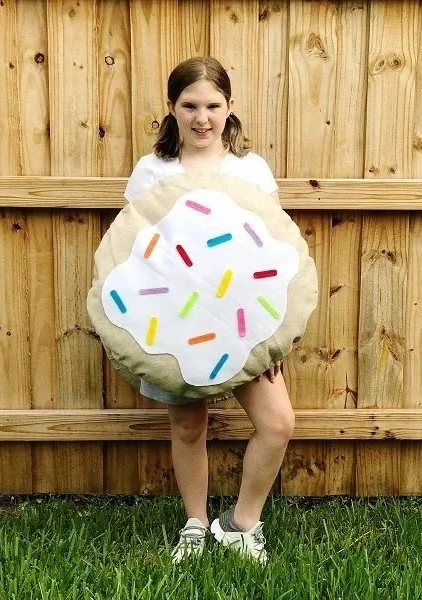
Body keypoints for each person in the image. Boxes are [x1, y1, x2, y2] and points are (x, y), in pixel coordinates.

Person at [123, 57, 295, 563]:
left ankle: (241, 525)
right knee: (188, 426)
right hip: (176, 322)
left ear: (230, 107)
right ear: (172, 109)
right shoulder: (153, 171)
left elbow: (271, 249)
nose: (202, 118)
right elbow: (134, 249)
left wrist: (273, 331)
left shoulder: (250, 170)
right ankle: (195, 525)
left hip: (241, 322)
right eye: (190, 105)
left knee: (278, 422)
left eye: (213, 106)